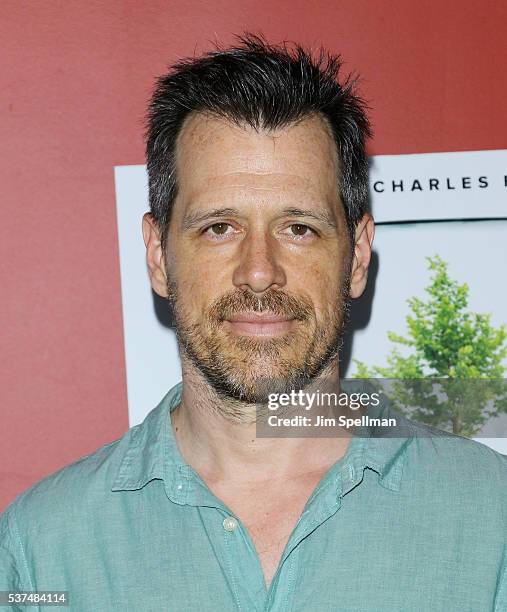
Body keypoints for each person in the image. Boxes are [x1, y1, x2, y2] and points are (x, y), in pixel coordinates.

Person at [1, 34, 506, 611]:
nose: (260, 272)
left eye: (299, 228)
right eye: (220, 227)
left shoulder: (494, 524)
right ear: (159, 256)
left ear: (358, 255)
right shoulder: (40, 550)